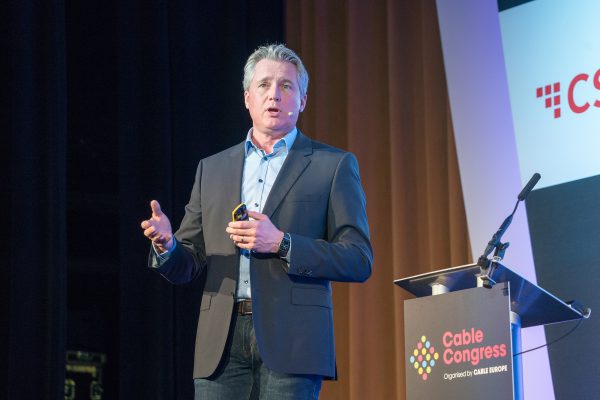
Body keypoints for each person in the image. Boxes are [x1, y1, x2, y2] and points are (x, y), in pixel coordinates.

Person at [140, 43, 372, 400]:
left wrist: (282, 243)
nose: (274, 95)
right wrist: (167, 246)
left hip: (293, 343)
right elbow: (188, 263)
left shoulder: (333, 165)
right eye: (264, 85)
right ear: (248, 97)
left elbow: (358, 258)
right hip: (221, 345)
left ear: (303, 100)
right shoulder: (212, 169)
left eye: (286, 86)